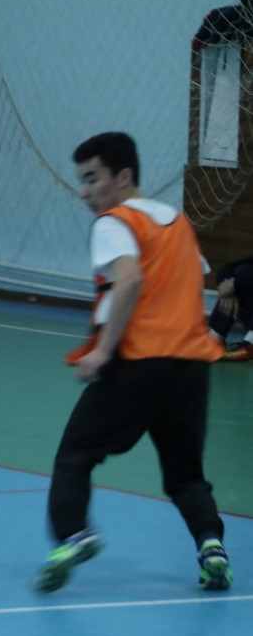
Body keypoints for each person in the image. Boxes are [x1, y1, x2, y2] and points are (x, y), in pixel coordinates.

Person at [37, 132, 233, 593]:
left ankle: (73, 535)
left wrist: (104, 350)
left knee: (75, 455)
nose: (84, 191)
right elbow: (194, 279)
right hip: (191, 368)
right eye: (82, 180)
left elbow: (128, 280)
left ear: (123, 177)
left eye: (92, 179)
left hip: (139, 364)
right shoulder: (176, 222)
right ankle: (211, 547)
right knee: (185, 474)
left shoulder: (114, 223)